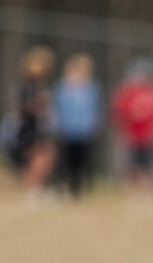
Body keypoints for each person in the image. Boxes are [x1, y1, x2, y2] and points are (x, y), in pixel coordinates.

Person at [113, 60, 153, 197]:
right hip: (132, 136)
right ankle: (133, 193)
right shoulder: (128, 91)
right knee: (131, 166)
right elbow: (120, 110)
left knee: (152, 166)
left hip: (149, 137)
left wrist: (143, 114)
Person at [52, 54, 102, 198]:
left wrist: (92, 126)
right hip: (66, 130)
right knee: (64, 161)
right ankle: (59, 188)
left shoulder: (92, 88)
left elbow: (95, 108)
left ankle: (78, 190)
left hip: (84, 131)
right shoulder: (63, 87)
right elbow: (57, 106)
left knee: (81, 163)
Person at [11, 47, 57, 199]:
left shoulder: (38, 84)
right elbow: (25, 107)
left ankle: (38, 189)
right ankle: (32, 191)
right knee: (36, 160)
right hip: (30, 126)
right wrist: (40, 105)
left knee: (46, 158)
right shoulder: (27, 85)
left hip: (39, 125)